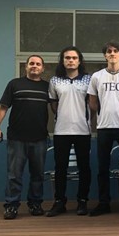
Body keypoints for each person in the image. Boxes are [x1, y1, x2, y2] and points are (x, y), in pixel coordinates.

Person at [0, 55, 50, 219]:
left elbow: (56, 108)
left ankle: (35, 204)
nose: (34, 66)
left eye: (38, 64)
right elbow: (3, 107)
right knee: (14, 175)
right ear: (26, 67)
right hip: (17, 138)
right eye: (31, 63)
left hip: (39, 138)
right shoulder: (15, 84)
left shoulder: (47, 87)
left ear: (43, 68)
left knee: (37, 174)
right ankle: (11, 206)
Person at [87, 42, 119, 216]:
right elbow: (92, 102)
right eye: (109, 51)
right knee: (103, 167)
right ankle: (103, 203)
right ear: (105, 56)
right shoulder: (97, 76)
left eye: (116, 51)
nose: (112, 54)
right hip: (104, 127)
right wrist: (103, 113)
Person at [47, 46, 92, 217]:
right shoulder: (55, 81)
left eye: (74, 58)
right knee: (60, 167)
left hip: (83, 130)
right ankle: (59, 202)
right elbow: (53, 104)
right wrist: (62, 116)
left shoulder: (89, 80)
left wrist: (84, 118)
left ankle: (82, 201)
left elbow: (93, 105)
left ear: (79, 61)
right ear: (63, 61)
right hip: (61, 131)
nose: (70, 60)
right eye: (67, 58)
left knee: (84, 167)